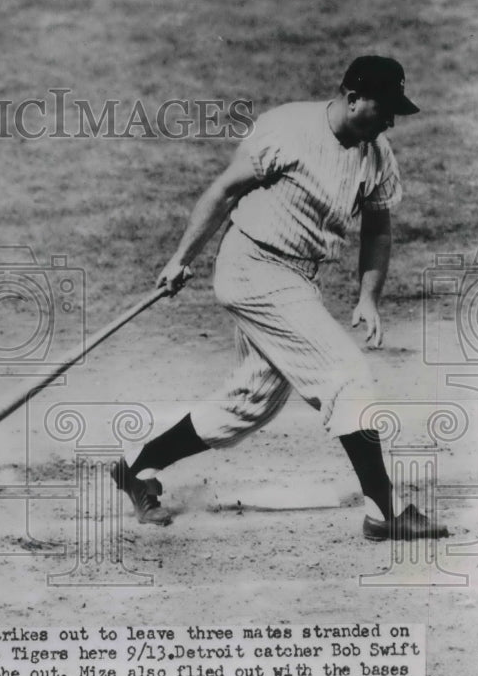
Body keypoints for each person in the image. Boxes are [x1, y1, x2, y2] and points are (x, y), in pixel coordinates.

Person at [114, 56, 449, 542]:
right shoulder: (287, 129)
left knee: (248, 404)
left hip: (296, 278)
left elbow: (379, 228)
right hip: (251, 267)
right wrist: (180, 259)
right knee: (346, 375)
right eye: (384, 108)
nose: (390, 121)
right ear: (352, 98)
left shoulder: (376, 153)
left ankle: (136, 467)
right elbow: (224, 191)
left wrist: (369, 297)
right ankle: (385, 512)